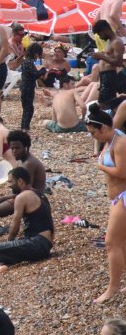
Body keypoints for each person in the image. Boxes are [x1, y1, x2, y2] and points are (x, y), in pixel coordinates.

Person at [86, 103, 126, 303]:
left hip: (124, 196)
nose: (93, 137)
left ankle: (113, 287)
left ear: (103, 128)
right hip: (117, 198)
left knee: (111, 243)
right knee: (121, 242)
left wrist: (101, 166)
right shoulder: (112, 138)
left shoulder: (120, 143)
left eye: (94, 133)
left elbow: (122, 173)